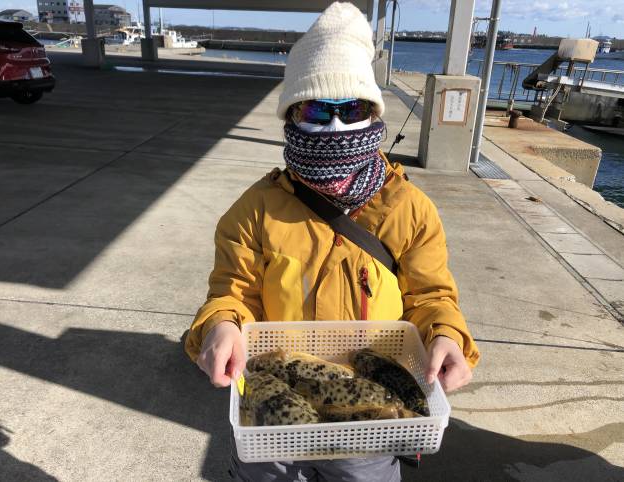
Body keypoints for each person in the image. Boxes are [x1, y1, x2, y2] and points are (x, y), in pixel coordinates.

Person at [184, 3, 480, 481]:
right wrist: (222, 325)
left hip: (366, 413)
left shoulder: (409, 209)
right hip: (273, 406)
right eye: (317, 109)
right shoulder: (255, 209)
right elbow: (232, 293)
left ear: (373, 115)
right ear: (292, 116)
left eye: (352, 110)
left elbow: (431, 297)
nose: (336, 126)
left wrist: (445, 334)